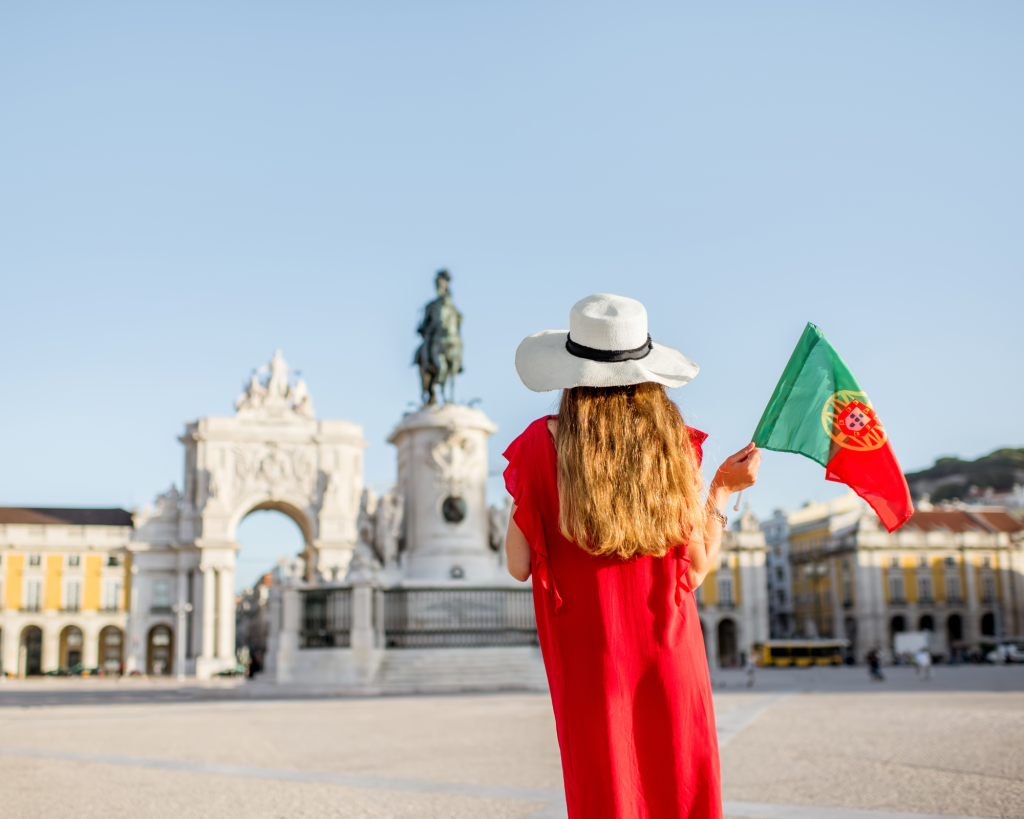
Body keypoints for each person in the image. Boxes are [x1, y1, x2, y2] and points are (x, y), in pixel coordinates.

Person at [503, 294, 760, 819]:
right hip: (668, 647)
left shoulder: (535, 447)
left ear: (572, 374)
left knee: (605, 790)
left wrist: (531, 496)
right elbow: (697, 565)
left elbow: (518, 565)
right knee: (678, 786)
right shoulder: (675, 447)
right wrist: (723, 492)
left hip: (589, 660)